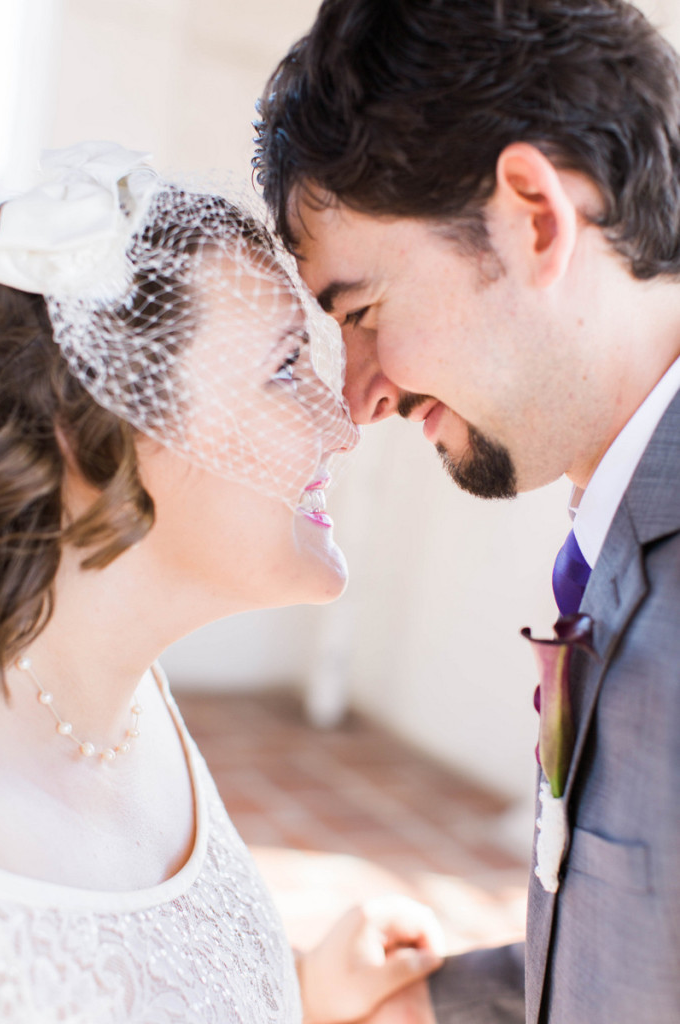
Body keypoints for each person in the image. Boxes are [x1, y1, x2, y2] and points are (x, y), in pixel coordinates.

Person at [253, 1, 680, 1022]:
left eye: (360, 313)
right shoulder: (621, 513)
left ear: (533, 214)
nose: (359, 396)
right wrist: (439, 1004)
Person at [0, 141, 445, 1023]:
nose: (341, 423)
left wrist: (307, 992)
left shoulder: (135, 711)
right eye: (285, 366)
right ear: (95, 434)